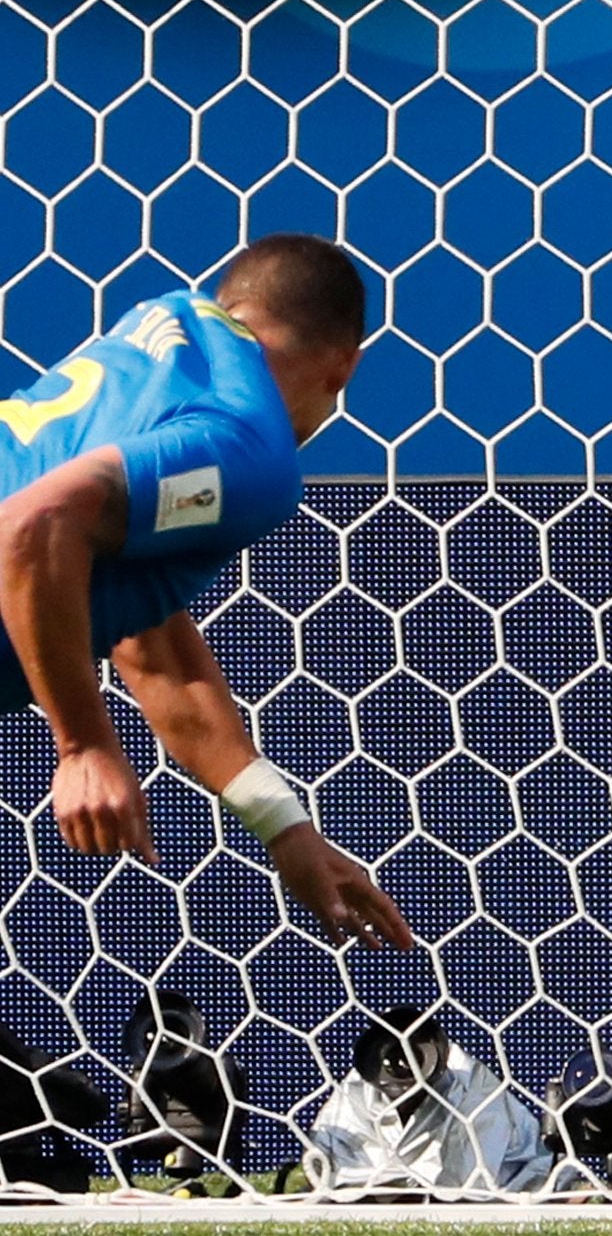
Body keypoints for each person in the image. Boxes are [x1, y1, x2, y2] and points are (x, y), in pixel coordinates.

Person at [0, 233, 412, 951]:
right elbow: (35, 522)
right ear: (345, 365)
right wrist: (84, 746)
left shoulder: (164, 330)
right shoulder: (250, 445)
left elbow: (145, 638)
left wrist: (282, 824)